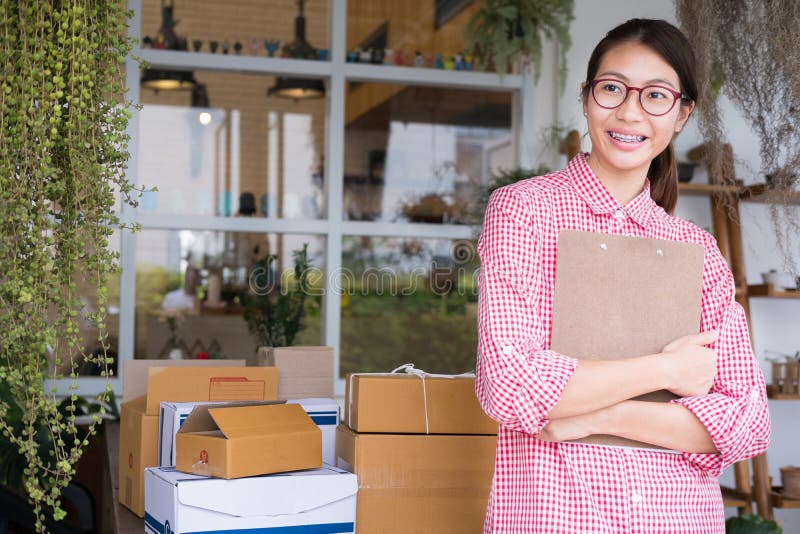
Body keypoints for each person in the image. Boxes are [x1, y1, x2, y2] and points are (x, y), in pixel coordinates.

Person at [476, 18, 770, 533]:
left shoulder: (695, 250)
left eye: (656, 95)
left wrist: (599, 416)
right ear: (587, 97)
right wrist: (665, 372)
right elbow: (510, 386)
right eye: (612, 88)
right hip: (558, 518)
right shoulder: (525, 211)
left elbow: (747, 424)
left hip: (678, 519)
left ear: (682, 115)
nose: (630, 111)